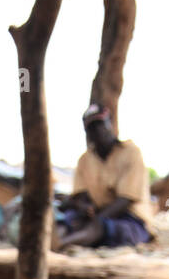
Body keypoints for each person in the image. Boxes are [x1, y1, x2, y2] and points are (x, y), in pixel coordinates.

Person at [57, 104, 156, 251]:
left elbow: (125, 200)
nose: (97, 132)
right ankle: (58, 241)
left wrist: (96, 219)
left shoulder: (131, 153)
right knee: (69, 219)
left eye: (100, 125)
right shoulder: (84, 160)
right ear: (87, 133)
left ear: (110, 125)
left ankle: (60, 245)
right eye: (92, 128)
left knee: (102, 227)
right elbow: (81, 196)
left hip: (131, 219)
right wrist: (84, 208)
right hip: (97, 215)